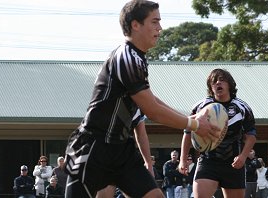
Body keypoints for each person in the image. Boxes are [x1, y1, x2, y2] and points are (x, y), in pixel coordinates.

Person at [64, 0, 218, 197]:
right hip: (94, 147)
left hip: (122, 150)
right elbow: (152, 110)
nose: (160, 28)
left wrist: (192, 118)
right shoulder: (126, 57)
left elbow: (151, 99)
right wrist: (194, 125)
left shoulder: (137, 58)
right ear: (135, 25)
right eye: (154, 22)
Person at [179, 68, 257, 198]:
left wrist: (243, 156)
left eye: (222, 80)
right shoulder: (201, 106)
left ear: (229, 84)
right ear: (210, 86)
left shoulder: (242, 107)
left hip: (233, 164)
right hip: (208, 162)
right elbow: (187, 133)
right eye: (214, 81)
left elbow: (251, 136)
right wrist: (182, 160)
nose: (218, 83)